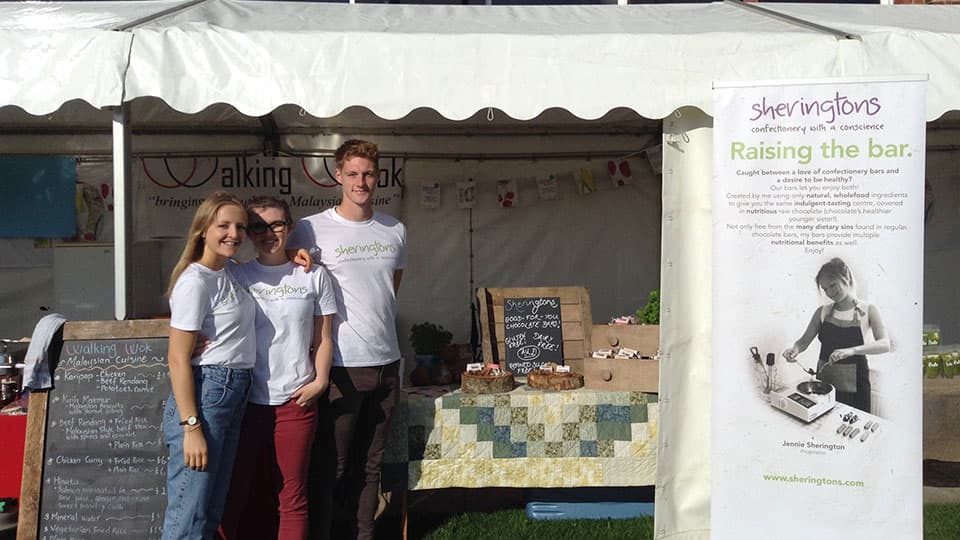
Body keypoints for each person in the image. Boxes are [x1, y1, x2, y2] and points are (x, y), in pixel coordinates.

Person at [288, 139, 407, 540]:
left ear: (379, 176)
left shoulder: (395, 229)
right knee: (333, 466)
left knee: (370, 466)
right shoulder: (310, 227)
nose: (361, 182)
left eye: (369, 174)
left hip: (387, 362)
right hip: (340, 365)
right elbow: (288, 278)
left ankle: (363, 535)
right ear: (337, 176)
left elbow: (390, 289)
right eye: (353, 174)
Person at [218, 196, 338, 540]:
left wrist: (321, 381)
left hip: (295, 402)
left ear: (290, 227)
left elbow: (324, 338)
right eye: (258, 225)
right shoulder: (236, 274)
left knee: (293, 497)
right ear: (248, 232)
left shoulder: (314, 276)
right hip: (244, 401)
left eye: (276, 224)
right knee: (236, 491)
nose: (268, 232)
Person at [162, 191, 256, 540]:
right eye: (224, 225)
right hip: (207, 394)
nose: (234, 234)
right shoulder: (195, 281)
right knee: (189, 513)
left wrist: (294, 253)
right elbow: (177, 358)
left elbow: (269, 261)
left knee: (209, 510)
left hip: (232, 392)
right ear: (203, 229)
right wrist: (191, 427)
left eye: (240, 227)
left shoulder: (228, 271)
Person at [782, 257, 890, 412]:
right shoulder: (822, 312)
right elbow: (803, 342)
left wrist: (852, 350)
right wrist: (794, 350)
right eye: (825, 289)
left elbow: (885, 344)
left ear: (846, 277)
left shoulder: (868, 310)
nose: (830, 292)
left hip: (856, 387)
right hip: (824, 386)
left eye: (833, 285)